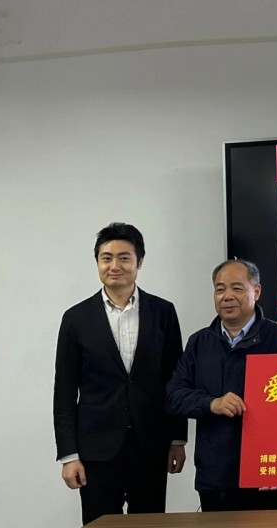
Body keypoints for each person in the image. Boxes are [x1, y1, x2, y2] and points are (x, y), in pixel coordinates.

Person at [53, 222, 187, 526]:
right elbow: (64, 392)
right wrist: (69, 455)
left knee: (150, 524)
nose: (115, 266)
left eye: (124, 258)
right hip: (96, 450)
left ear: (139, 262)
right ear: (97, 263)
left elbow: (174, 380)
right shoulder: (76, 318)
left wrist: (177, 438)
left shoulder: (163, 312)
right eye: (106, 258)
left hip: (150, 445)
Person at [166, 259, 277, 512]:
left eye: (237, 288)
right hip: (214, 473)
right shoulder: (199, 342)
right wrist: (212, 403)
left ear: (256, 291)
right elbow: (175, 395)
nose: (227, 296)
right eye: (220, 289)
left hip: (265, 471)